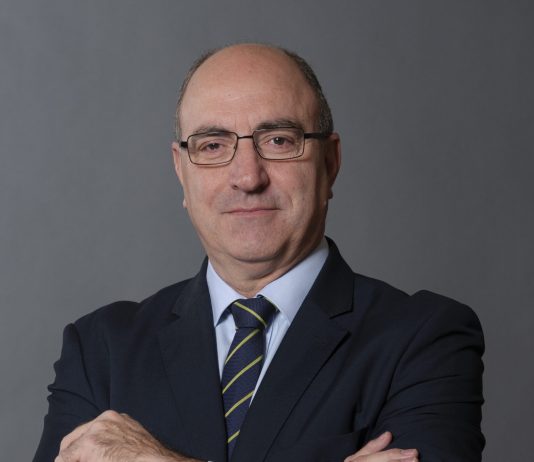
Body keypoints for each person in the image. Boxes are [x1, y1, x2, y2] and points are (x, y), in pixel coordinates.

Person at [34, 43, 484, 462]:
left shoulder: (424, 339)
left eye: (279, 140)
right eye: (213, 145)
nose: (248, 177)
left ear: (330, 163)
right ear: (181, 171)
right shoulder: (101, 351)